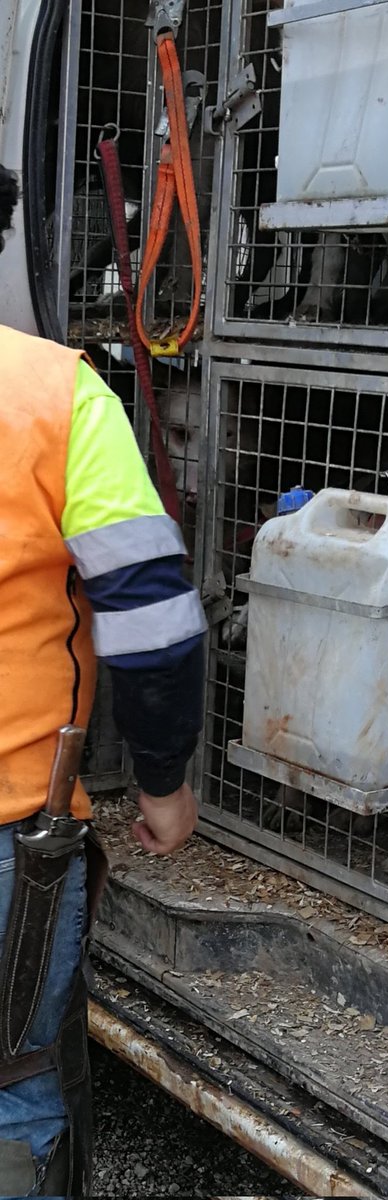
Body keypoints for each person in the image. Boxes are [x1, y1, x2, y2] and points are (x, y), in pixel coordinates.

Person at [0, 164, 206, 1196]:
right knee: (16, 1079)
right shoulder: (53, 394)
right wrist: (163, 785)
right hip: (10, 831)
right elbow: (155, 624)